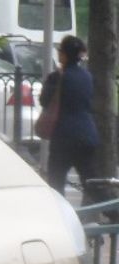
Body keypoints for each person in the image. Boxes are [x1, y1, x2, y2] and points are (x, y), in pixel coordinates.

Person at [40, 34, 100, 201]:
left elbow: (44, 101)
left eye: (60, 50)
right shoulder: (88, 77)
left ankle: (59, 215)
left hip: (63, 137)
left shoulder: (57, 77)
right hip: (87, 135)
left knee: (56, 185)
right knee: (91, 183)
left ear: (64, 55)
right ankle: (112, 211)